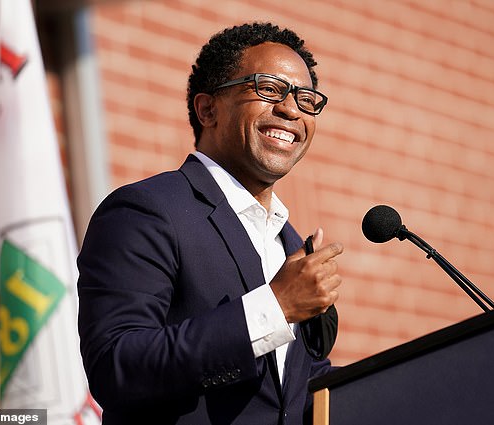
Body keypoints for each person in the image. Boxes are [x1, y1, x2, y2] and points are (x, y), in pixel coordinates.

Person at [77, 22, 344, 425]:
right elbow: (116, 367)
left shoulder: (289, 243)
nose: (291, 109)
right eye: (269, 89)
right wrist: (275, 306)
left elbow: (290, 394)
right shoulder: (145, 211)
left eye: (306, 99)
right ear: (208, 110)